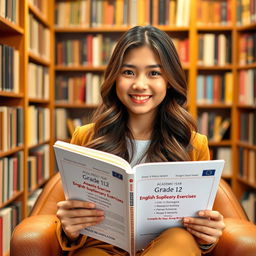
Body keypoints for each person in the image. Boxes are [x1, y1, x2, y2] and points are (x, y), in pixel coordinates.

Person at [56, 25, 225, 256]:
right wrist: (70, 228)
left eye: (154, 73)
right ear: (114, 77)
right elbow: (72, 216)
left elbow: (199, 229)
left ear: (169, 80)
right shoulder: (85, 137)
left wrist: (207, 235)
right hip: (101, 248)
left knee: (179, 238)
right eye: (128, 72)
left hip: (167, 248)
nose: (139, 84)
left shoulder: (194, 144)